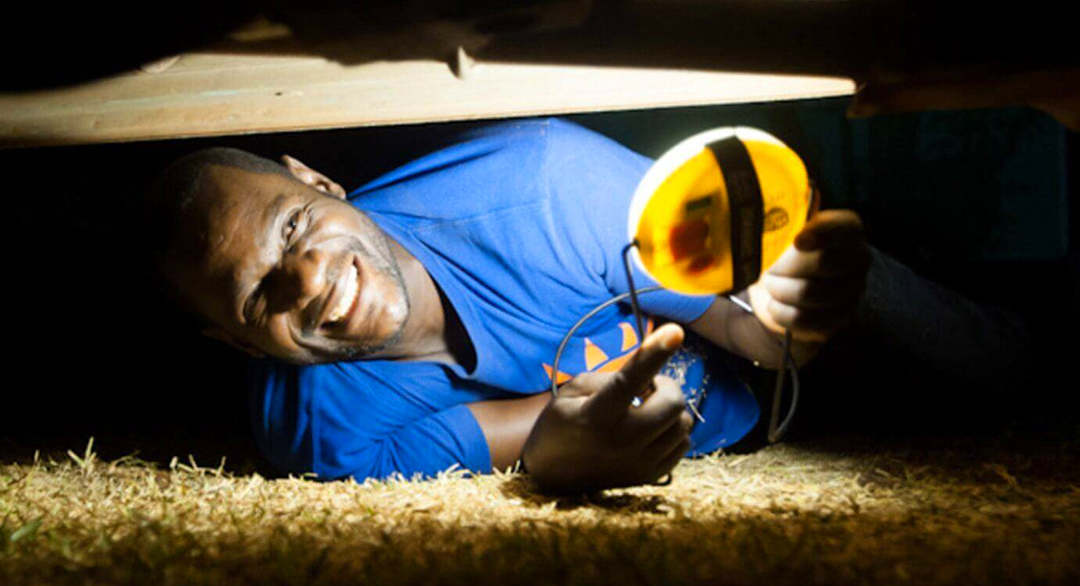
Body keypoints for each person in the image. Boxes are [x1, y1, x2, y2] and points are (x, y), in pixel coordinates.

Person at [147, 118, 870, 491]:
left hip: (804, 333)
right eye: (257, 298)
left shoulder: (551, 190)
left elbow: (763, 337)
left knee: (886, 293)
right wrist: (563, 458)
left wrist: (790, 313)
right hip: (747, 426)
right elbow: (541, 439)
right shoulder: (322, 431)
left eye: (294, 226)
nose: (306, 279)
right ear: (243, 345)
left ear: (318, 182)